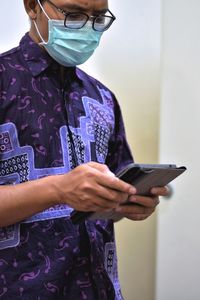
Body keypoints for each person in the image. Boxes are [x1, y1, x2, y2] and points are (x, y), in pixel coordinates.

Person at [0, 0, 168, 299]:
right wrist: (58, 189)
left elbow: (106, 203)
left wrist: (124, 203)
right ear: (32, 7)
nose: (87, 27)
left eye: (98, 17)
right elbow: (65, 191)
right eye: (73, 13)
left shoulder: (102, 98)